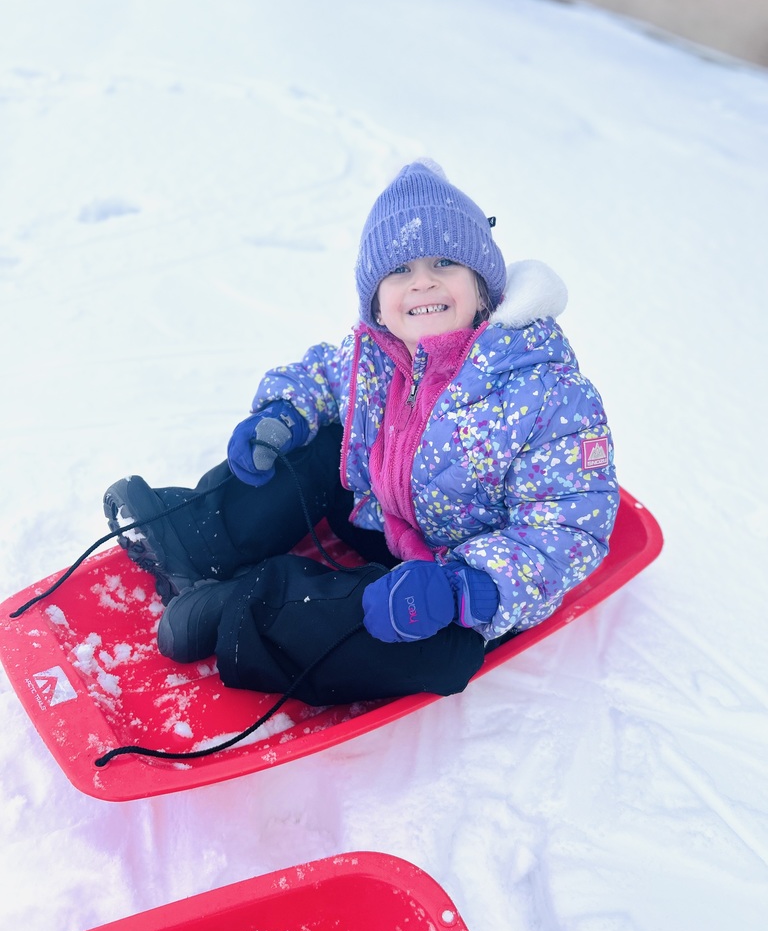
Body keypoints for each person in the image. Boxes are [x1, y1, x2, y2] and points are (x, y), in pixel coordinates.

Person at [104, 160, 618, 706]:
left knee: (436, 653)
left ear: (483, 286)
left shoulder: (547, 392)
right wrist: (283, 414)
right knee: (322, 445)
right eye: (399, 270)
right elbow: (323, 377)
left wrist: (469, 588)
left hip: (449, 582)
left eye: (445, 262)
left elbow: (568, 532)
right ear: (376, 302)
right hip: (378, 516)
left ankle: (238, 610)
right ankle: (199, 538)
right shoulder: (376, 351)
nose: (422, 281)